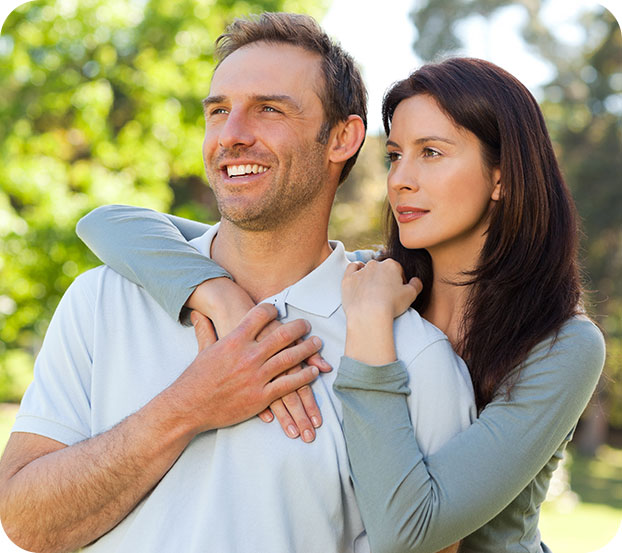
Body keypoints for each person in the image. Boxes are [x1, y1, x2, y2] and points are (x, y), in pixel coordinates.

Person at [76, 57, 606, 552]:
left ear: (503, 176)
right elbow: (109, 223)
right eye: (395, 154)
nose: (400, 178)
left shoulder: (562, 345)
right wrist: (218, 294)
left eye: (432, 152)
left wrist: (372, 327)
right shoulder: (370, 277)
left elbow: (408, 529)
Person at [0, 13, 475, 553]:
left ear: (343, 138)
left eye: (268, 109)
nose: (231, 135)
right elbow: (24, 521)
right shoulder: (103, 298)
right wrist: (189, 405)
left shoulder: (416, 359)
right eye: (218, 111)